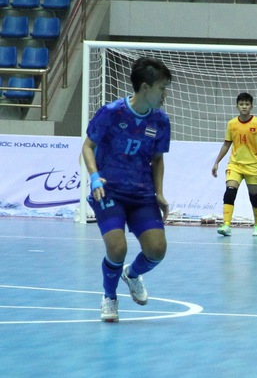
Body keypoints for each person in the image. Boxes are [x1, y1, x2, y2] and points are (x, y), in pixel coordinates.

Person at [82, 57, 173, 323]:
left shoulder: (161, 121)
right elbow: (88, 146)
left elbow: (157, 159)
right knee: (116, 248)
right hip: (108, 191)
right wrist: (95, 177)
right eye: (161, 88)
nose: (165, 95)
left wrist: (159, 193)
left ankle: (131, 274)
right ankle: (109, 297)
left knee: (157, 250)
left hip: (142, 193)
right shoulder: (111, 112)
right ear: (145, 88)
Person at [212, 92, 257, 238]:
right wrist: (216, 162)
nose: (244, 107)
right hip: (235, 165)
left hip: (253, 166)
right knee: (230, 191)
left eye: (247, 104)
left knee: (255, 197)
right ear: (237, 106)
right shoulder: (232, 124)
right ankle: (226, 225)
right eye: (241, 104)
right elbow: (226, 145)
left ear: (251, 106)